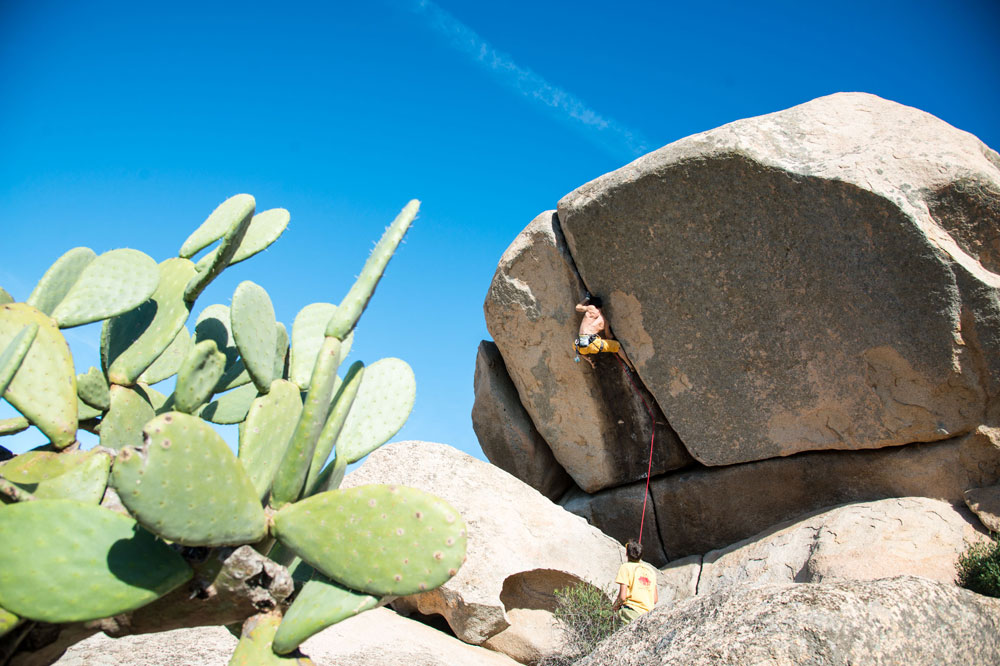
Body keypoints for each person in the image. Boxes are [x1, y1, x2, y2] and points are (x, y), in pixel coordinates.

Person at [574, 295, 633, 370]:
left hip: (579, 346)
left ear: (591, 304)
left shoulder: (590, 308)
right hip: (593, 345)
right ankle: (630, 365)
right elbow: (609, 337)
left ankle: (589, 360)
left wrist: (586, 298)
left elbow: (578, 307)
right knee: (618, 346)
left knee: (581, 350)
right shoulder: (604, 320)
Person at [612, 540, 658, 624]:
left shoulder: (625, 567)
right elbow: (654, 599)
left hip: (630, 612)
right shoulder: (650, 571)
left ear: (627, 554)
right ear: (641, 555)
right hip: (648, 615)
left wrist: (613, 609)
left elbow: (622, 597)